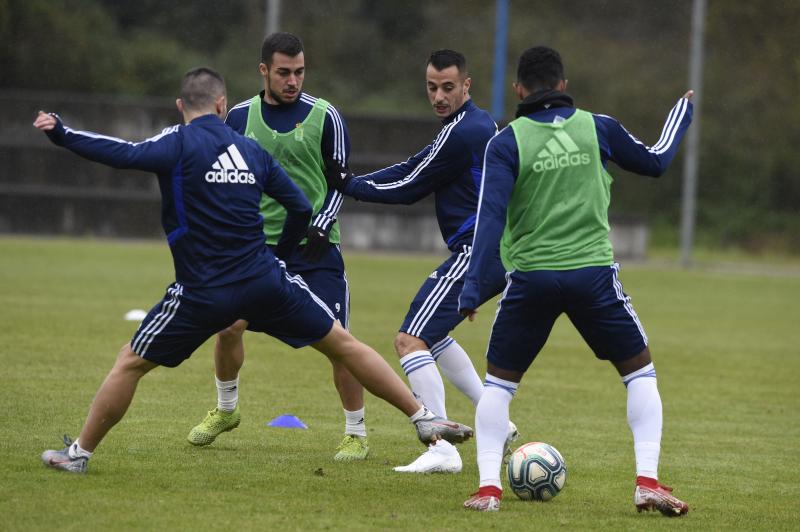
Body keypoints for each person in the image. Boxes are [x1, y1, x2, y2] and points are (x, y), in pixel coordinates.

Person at [37, 67, 473, 474]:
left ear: (180, 106)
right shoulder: (251, 150)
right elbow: (301, 207)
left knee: (130, 363)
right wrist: (280, 257)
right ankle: (422, 417)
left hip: (202, 290)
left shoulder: (177, 141)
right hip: (265, 279)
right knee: (343, 343)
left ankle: (79, 454)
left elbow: (123, 154)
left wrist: (63, 134)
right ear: (223, 105)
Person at [458, 46, 692, 515]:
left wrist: (473, 288)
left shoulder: (506, 142)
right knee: (639, 373)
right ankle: (647, 482)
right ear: (563, 85)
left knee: (499, 386)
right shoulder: (597, 126)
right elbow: (656, 160)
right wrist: (681, 115)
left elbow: (490, 219)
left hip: (532, 280)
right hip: (592, 276)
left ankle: (487, 491)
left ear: (519, 90)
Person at [325, 49, 516, 474]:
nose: (439, 96)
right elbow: (415, 165)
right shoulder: (470, 125)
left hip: (478, 250)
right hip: (493, 250)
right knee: (434, 336)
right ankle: (496, 423)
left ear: (467, 86)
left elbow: (411, 185)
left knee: (410, 341)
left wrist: (350, 187)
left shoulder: (464, 131)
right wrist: (353, 182)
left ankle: (441, 447)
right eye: (432, 87)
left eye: (448, 87)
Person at [185, 33, 368, 462]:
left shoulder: (327, 117)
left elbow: (341, 182)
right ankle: (226, 411)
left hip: (315, 251)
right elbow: (218, 178)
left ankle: (356, 433)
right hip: (254, 250)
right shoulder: (238, 118)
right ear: (264, 70)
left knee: (339, 341)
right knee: (228, 326)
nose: (293, 80)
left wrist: (321, 224)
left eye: (300, 72)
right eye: (284, 72)